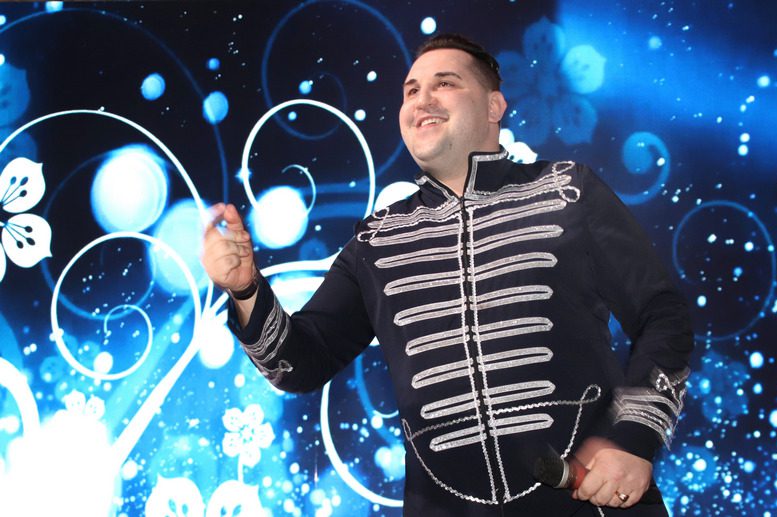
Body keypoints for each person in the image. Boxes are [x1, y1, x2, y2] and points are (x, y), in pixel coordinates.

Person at [202, 34, 693, 516]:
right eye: (411, 90)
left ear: (494, 106)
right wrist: (245, 289)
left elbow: (663, 315)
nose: (422, 100)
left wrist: (635, 439)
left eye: (445, 83)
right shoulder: (376, 241)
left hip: (592, 500)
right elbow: (299, 365)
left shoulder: (569, 191)